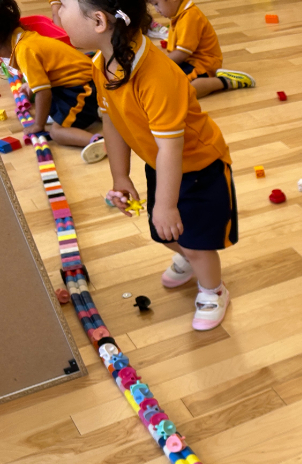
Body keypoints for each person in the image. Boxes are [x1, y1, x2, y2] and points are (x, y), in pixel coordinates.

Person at [57, 0, 236, 331]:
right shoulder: (102, 62)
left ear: (99, 21)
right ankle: (187, 255)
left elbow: (172, 144)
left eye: (64, 5)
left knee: (196, 240)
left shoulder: (155, 73)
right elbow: (112, 120)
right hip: (162, 163)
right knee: (162, 230)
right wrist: (120, 175)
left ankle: (213, 290)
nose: (56, 11)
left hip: (199, 165)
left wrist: (167, 204)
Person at [0, 0, 105, 162]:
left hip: (85, 88)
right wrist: (31, 85)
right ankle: (100, 109)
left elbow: (44, 93)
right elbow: (47, 70)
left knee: (57, 132)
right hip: (83, 81)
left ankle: (99, 142)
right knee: (50, 112)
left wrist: (37, 125)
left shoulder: (23, 51)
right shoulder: (24, 38)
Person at [149, 0, 254, 98]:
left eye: (156, 4)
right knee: (165, 82)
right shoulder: (179, 15)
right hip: (189, 61)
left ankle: (226, 81)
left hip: (204, 63)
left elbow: (182, 53)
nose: (157, 10)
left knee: (183, 92)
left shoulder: (190, 16)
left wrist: (161, 63)